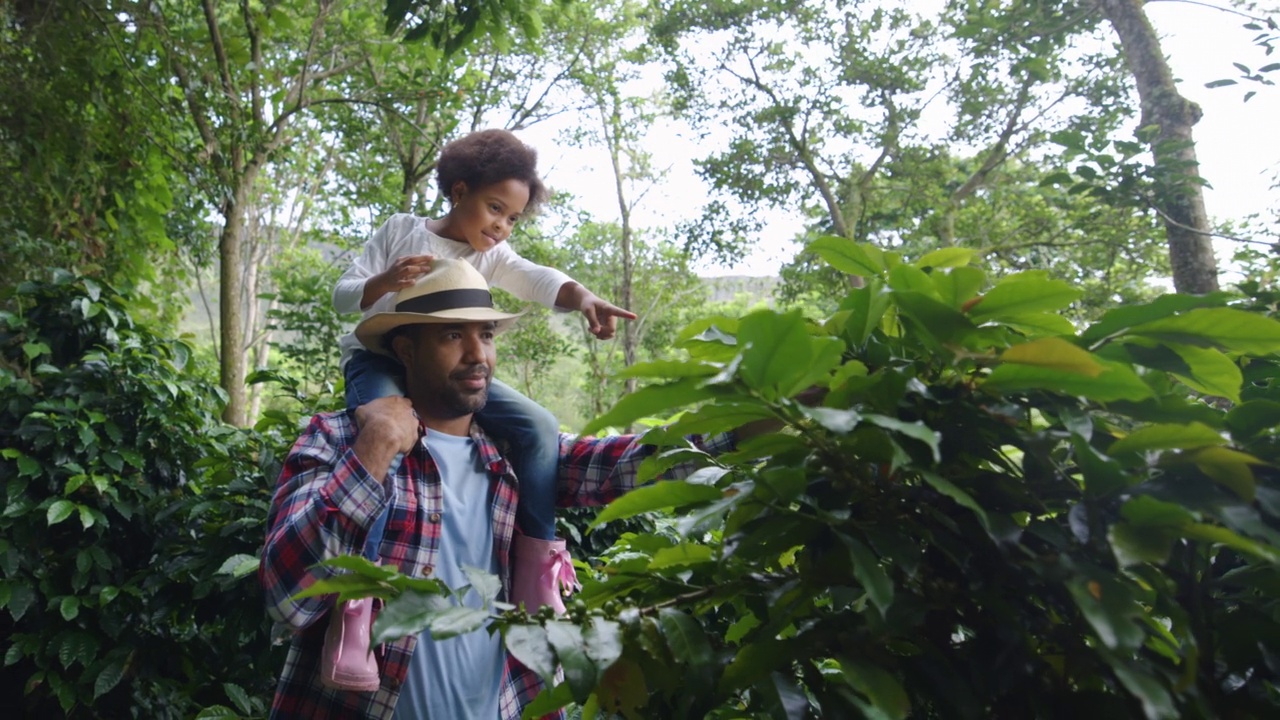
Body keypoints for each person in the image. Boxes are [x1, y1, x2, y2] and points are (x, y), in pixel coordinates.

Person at [260, 259, 735, 719]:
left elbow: (628, 463)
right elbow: (288, 598)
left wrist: (744, 425)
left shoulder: (516, 454)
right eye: (452, 335)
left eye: (485, 335)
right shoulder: (338, 440)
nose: (477, 355)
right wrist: (376, 449)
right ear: (405, 350)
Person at [328, 129, 636, 690]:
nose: (501, 227)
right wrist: (382, 282)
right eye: (495, 208)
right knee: (384, 437)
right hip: (378, 360)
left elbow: (534, 277)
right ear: (460, 190)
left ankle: (534, 570)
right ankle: (356, 605)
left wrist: (582, 297)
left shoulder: (488, 257)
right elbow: (342, 295)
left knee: (540, 427)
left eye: (513, 219)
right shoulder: (402, 230)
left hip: (447, 368)